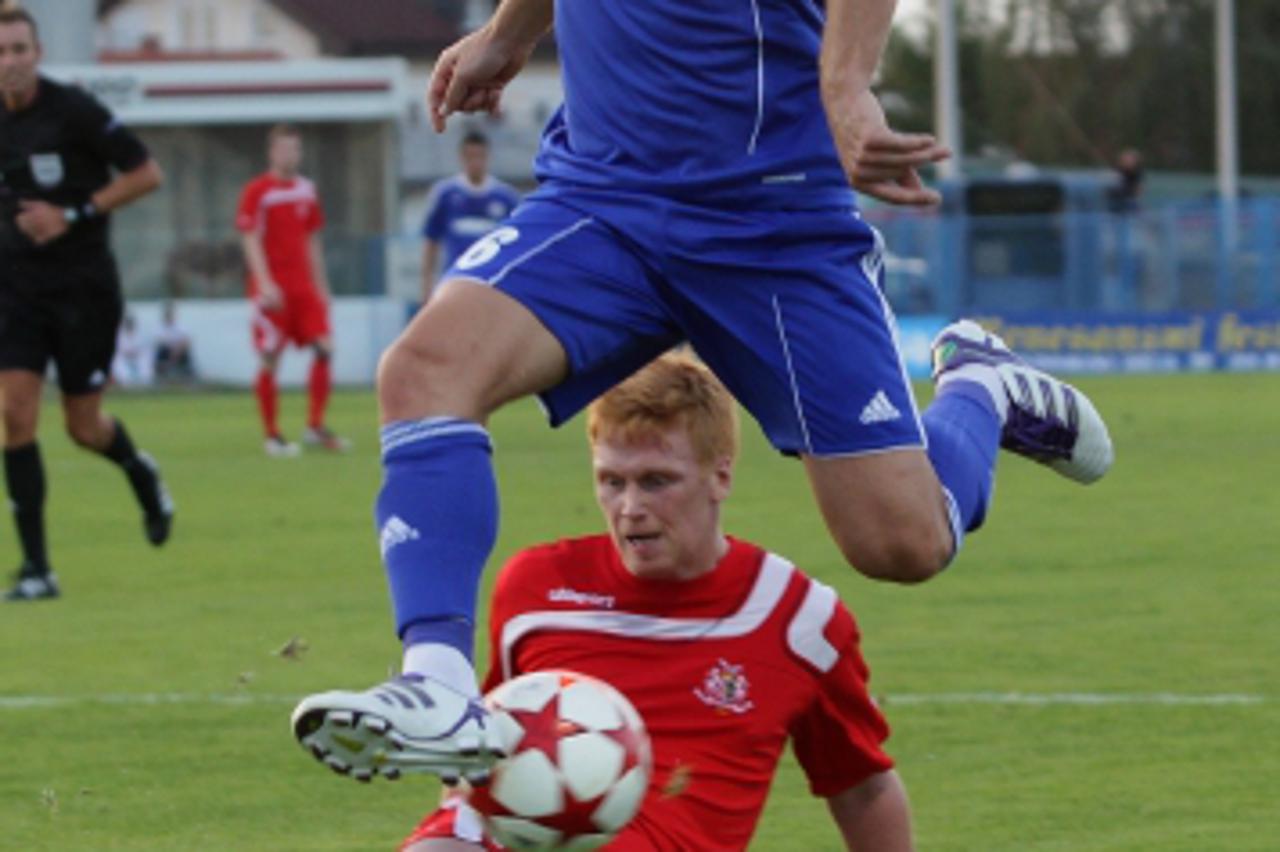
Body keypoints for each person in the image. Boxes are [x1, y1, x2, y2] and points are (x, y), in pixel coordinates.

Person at [291, 0, 1115, 781]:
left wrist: (847, 84)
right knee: (425, 370)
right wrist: (509, 36)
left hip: (772, 220)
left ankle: (978, 387)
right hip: (604, 197)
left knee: (900, 545)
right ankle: (439, 686)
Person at [364, 355, 917, 850]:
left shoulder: (798, 620)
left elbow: (861, 790)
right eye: (612, 481)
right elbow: (483, 754)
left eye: (656, 482)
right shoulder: (534, 588)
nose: (629, 508)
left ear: (719, 475)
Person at [0, 7, 174, 602]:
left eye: (20, 49)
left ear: (38, 53)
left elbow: (146, 172)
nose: (11, 62)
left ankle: (138, 471)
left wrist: (71, 213)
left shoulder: (72, 110)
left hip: (82, 290)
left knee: (82, 427)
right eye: (2, 52)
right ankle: (37, 570)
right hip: (15, 290)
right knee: (15, 415)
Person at [236, 123, 349, 457]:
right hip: (272, 290)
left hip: (304, 288)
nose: (291, 155)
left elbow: (312, 239)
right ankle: (272, 435)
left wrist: (322, 286)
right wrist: (265, 283)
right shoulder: (258, 191)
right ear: (272, 152)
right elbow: (250, 238)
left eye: (295, 149)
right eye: (284, 149)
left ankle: (315, 426)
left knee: (325, 348)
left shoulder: (306, 190)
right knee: (271, 358)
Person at [419, 131, 521, 303]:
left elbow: (516, 247)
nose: (475, 162)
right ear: (462, 158)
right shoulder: (446, 195)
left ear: (487, 157)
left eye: (480, 156)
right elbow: (431, 242)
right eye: (470, 156)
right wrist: (426, 287)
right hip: (454, 282)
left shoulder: (505, 198)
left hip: (493, 285)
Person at [153, 300, 195, 382]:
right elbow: (160, 342)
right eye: (168, 315)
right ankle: (161, 378)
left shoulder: (180, 327)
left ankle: (189, 380)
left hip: (179, 351)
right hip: (166, 351)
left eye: (171, 315)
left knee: (186, 353)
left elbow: (187, 340)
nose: (169, 317)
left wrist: (177, 350)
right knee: (160, 352)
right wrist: (172, 349)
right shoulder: (160, 328)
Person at [111, 311, 153, 389]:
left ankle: (144, 382)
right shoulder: (120, 335)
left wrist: (135, 352)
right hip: (124, 358)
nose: (129, 325)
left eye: (131, 323)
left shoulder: (140, 334)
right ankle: (125, 382)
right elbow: (120, 349)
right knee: (117, 360)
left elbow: (144, 348)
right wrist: (128, 353)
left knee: (145, 358)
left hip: (138, 357)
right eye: (128, 323)